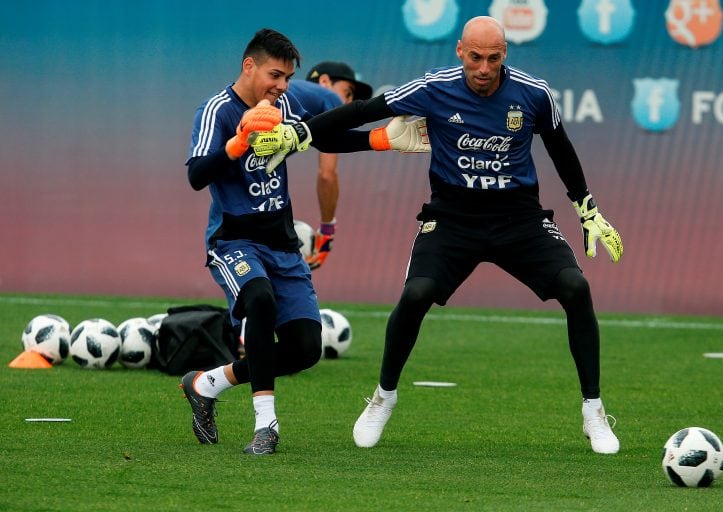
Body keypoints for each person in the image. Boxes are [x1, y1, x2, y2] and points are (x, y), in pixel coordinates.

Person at [253, 16, 624, 454]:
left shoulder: (533, 93)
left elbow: (560, 145)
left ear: (505, 55)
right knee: (415, 295)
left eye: (493, 58)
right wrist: (303, 131)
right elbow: (361, 112)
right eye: (475, 57)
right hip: (453, 217)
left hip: (518, 217)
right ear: (460, 52)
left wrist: (585, 206)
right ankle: (383, 397)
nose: (483, 68)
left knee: (576, 288)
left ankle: (593, 411)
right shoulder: (433, 88)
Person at [182, 28, 427, 456]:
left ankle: (207, 383)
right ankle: (266, 426)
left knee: (304, 350)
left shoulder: (285, 104)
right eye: (275, 75)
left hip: (281, 242)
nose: (282, 86)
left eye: (287, 78)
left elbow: (325, 138)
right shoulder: (217, 109)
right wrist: (238, 143)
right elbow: (196, 175)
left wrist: (382, 139)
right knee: (260, 300)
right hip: (234, 240)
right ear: (249, 66)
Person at [288, 62, 373, 270]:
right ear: (324, 82)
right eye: (348, 92)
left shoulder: (293, 108)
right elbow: (327, 174)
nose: (349, 102)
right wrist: (327, 232)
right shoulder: (328, 99)